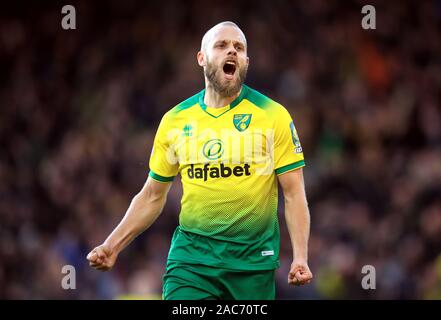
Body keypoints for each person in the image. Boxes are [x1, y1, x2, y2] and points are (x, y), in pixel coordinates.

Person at [87, 21, 313, 300]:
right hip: (191, 263)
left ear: (246, 62)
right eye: (221, 45)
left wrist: (300, 257)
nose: (232, 51)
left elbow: (293, 193)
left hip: (252, 266)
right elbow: (152, 195)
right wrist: (112, 246)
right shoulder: (175, 121)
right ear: (202, 58)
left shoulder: (272, 115)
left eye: (239, 48)